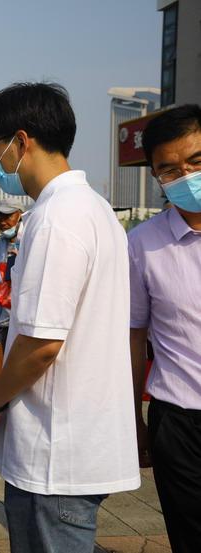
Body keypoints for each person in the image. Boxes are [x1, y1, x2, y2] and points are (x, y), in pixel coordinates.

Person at [0, 83, 139, 553]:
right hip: (76, 438)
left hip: (55, 452)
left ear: (21, 142)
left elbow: (41, 343)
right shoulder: (95, 209)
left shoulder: (55, 218)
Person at [129, 104, 201, 553]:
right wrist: (133, 419)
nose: (186, 177)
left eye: (196, 162)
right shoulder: (142, 244)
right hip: (178, 421)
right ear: (156, 176)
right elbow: (134, 335)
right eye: (170, 170)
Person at [0, 197, 24, 347]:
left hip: (19, 321)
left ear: (20, 215)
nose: (2, 222)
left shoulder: (28, 239)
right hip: (2, 318)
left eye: (7, 216)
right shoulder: (2, 242)